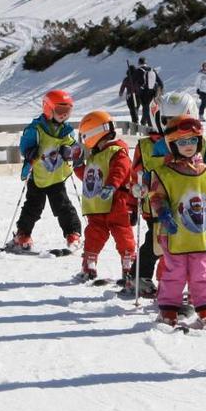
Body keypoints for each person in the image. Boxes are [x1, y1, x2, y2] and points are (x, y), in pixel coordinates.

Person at [130, 92, 206, 297]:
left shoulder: (202, 143)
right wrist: (135, 195)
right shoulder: (153, 145)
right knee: (157, 244)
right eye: (168, 120)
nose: (174, 123)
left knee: (200, 245)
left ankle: (202, 281)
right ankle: (143, 277)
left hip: (195, 204)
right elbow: (140, 173)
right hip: (160, 205)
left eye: (180, 118)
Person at [148, 114, 206, 327]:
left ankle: (205, 308)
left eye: (192, 141)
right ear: (173, 144)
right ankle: (169, 309)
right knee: (174, 273)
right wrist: (164, 213)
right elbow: (156, 196)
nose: (188, 146)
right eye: (182, 142)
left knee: (202, 273)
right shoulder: (164, 173)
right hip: (174, 234)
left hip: (201, 235)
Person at [5, 90, 82, 252]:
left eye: (67, 112)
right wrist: (29, 152)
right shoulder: (36, 128)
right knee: (33, 206)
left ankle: (73, 233)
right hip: (38, 175)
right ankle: (23, 235)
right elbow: (25, 144)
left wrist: (69, 150)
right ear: (48, 108)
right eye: (61, 111)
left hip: (56, 176)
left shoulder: (66, 130)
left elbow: (73, 146)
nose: (64, 116)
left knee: (62, 206)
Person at [74, 110, 135, 282]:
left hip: (117, 202)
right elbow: (89, 177)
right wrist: (78, 166)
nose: (85, 141)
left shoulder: (117, 151)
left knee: (123, 234)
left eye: (85, 136)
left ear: (93, 133)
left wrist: (111, 185)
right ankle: (89, 263)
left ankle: (129, 263)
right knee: (93, 235)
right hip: (97, 206)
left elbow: (121, 169)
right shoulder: (96, 156)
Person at [135, 57, 163, 127]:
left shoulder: (138, 71)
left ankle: (150, 125)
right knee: (149, 108)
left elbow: (134, 82)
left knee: (146, 108)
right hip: (152, 92)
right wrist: (159, 92)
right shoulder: (152, 70)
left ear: (139, 63)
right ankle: (144, 122)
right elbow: (160, 82)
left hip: (143, 93)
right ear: (146, 63)